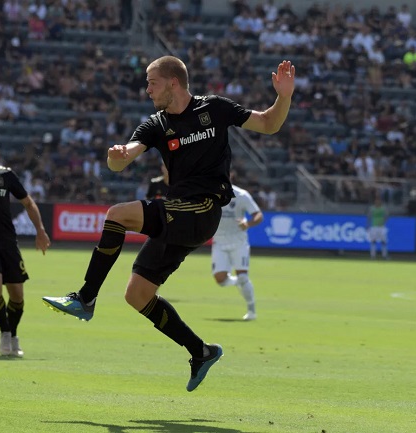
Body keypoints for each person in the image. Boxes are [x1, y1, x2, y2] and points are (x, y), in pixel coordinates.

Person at [42, 56, 295, 392]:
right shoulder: (156, 124)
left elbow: (268, 124)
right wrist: (116, 156)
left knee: (116, 214)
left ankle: (86, 297)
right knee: (137, 294)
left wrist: (284, 96)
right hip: (179, 214)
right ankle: (201, 352)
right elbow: (126, 155)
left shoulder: (215, 108)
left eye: (152, 82)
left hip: (203, 209)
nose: (147, 90)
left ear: (173, 82)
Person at [0, 127, 51, 358]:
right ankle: (4, 332)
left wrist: (40, 231)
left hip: (8, 243)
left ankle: (13, 334)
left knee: (17, 296)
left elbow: (28, 203)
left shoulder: (6, 175)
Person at [211, 184, 263, 321]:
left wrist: (248, 224)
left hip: (238, 241)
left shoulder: (241, 195)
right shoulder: (209, 193)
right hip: (219, 242)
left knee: (243, 276)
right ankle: (239, 282)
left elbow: (258, 215)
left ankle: (251, 310)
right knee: (220, 280)